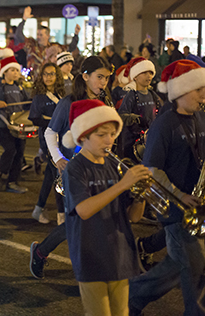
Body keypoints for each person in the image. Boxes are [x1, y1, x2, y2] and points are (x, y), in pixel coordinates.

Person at [129, 60, 205, 316]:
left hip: (197, 204)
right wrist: (180, 195)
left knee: (179, 264)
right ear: (181, 91)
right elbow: (152, 169)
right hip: (174, 207)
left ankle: (131, 297)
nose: (204, 95)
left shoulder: (200, 117)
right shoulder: (164, 124)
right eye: (199, 90)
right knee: (193, 265)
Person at [29, 56, 113, 279]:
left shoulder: (105, 101)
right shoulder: (68, 102)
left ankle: (47, 252)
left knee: (94, 217)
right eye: (100, 77)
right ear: (85, 77)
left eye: (107, 78)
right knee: (80, 218)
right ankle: (42, 251)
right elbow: (50, 132)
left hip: (99, 166)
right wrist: (57, 158)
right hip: (74, 170)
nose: (104, 82)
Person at [62, 99, 148, 316]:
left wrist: (141, 196)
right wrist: (123, 185)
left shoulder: (114, 165)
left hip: (119, 253)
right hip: (91, 254)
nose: (109, 140)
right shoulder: (75, 168)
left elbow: (134, 218)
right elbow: (83, 209)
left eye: (112, 134)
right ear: (83, 136)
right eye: (101, 135)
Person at [0, 55, 30, 194]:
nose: (16, 73)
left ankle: (13, 182)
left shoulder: (20, 87)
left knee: (19, 153)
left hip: (19, 125)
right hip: (5, 125)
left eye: (17, 70)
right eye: (12, 70)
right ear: (5, 72)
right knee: (10, 150)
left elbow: (27, 102)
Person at [29, 62, 67, 225]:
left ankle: (38, 210)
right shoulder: (39, 97)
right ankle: (61, 216)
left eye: (52, 74)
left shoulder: (62, 94)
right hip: (47, 141)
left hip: (62, 139)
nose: (49, 77)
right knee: (59, 175)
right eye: (45, 74)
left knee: (50, 177)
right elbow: (35, 118)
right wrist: (55, 122)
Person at [117, 57, 162, 162]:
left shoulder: (153, 95)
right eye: (144, 73)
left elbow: (160, 113)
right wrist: (135, 118)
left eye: (150, 73)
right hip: (132, 143)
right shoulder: (131, 95)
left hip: (150, 140)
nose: (148, 76)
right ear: (135, 77)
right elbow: (122, 115)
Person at [16, 6, 50, 73]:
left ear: (47, 36)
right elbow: (19, 36)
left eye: (41, 35)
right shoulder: (32, 44)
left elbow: (69, 48)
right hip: (32, 79)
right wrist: (24, 20)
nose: (38, 37)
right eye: (37, 34)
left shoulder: (52, 48)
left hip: (47, 79)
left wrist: (76, 35)